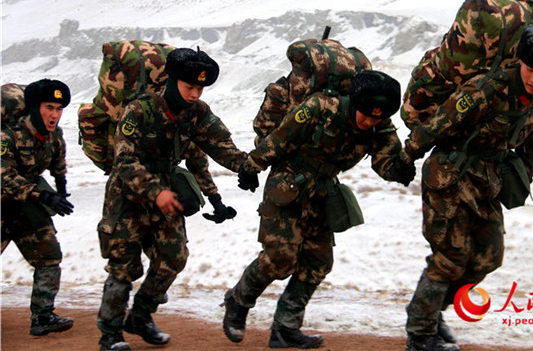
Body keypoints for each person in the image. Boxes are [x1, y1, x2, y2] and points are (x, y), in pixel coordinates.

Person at [399, 23, 533, 351]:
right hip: (449, 174)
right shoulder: (487, 88)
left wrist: (521, 180)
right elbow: (438, 125)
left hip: (488, 182)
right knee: (450, 257)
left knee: (488, 258)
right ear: (520, 61)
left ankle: (431, 309)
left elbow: (532, 149)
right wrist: (406, 157)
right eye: (532, 70)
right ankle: (420, 334)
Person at [223, 69, 416, 349]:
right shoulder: (321, 107)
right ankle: (238, 301)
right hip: (287, 186)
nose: (369, 121)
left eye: (377, 117)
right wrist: (252, 167)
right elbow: (280, 138)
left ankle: (285, 328)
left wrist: (399, 170)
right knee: (280, 258)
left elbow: (385, 161)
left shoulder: (379, 126)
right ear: (354, 102)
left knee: (318, 262)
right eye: (366, 114)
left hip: (322, 193)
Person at [96, 47, 247, 351]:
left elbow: (214, 149)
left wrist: (246, 168)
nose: (195, 94)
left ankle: (140, 316)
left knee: (174, 257)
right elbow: (124, 161)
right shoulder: (140, 110)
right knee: (123, 266)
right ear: (173, 80)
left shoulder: (197, 112)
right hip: (128, 196)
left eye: (200, 88)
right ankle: (110, 334)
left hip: (166, 192)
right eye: (190, 86)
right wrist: (156, 192)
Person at [1, 79, 75, 336]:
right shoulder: (8, 136)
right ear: (34, 108)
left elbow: (58, 160)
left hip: (27, 207)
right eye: (49, 108)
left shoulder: (54, 136)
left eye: (59, 108)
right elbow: (5, 177)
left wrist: (61, 186)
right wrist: (43, 196)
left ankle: (43, 316)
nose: (55, 115)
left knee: (49, 256)